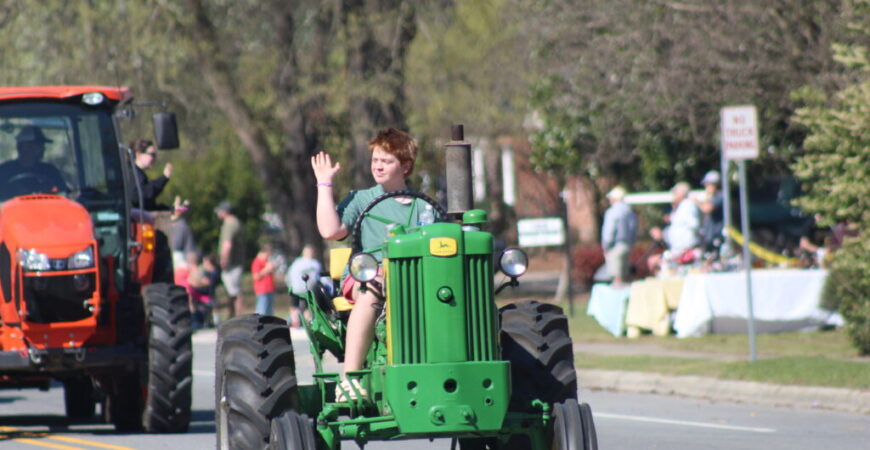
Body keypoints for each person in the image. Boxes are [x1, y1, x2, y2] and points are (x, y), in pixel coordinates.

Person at [312, 127, 421, 401]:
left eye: (387, 160)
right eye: (375, 160)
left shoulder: (425, 206)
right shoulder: (361, 199)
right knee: (373, 288)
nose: (379, 165)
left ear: (405, 166)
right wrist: (324, 184)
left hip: (414, 278)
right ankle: (351, 377)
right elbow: (330, 231)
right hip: (366, 276)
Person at [0, 126, 67, 199]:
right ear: (23, 146)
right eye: (37, 144)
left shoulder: (50, 171)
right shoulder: (4, 170)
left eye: (42, 145)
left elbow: (62, 193)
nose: (43, 148)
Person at [600, 186, 638, 287]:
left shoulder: (612, 211)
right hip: (627, 246)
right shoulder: (630, 211)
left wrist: (606, 245)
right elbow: (634, 229)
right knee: (625, 275)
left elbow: (609, 230)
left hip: (615, 246)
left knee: (616, 277)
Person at [215, 201, 246, 318]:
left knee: (235, 292)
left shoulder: (229, 224)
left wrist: (224, 260)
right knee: (232, 291)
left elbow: (227, 244)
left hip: (232, 264)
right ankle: (233, 316)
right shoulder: (235, 222)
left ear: (224, 212)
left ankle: (237, 317)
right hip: (235, 263)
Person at [128, 139, 172, 210]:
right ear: (138, 155)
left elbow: (147, 205)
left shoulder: (138, 173)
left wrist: (170, 209)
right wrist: (164, 178)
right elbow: (145, 194)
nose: (155, 158)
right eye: (152, 155)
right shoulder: (132, 174)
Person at [286, 244, 323, 327]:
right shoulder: (315, 264)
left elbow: (289, 275)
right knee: (307, 308)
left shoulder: (296, 262)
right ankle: (309, 324)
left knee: (294, 307)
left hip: (295, 288)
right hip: (308, 289)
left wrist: (289, 285)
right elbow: (317, 278)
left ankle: (295, 323)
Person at [696, 170, 724, 252]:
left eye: (707, 184)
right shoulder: (713, 196)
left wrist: (697, 201)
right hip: (710, 236)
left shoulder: (720, 196)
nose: (706, 187)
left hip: (718, 235)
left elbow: (707, 208)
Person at [251, 242, 277, 316]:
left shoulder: (267, 262)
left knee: (269, 312)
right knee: (262, 310)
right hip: (262, 290)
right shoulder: (257, 262)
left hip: (270, 289)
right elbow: (255, 276)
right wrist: (266, 270)